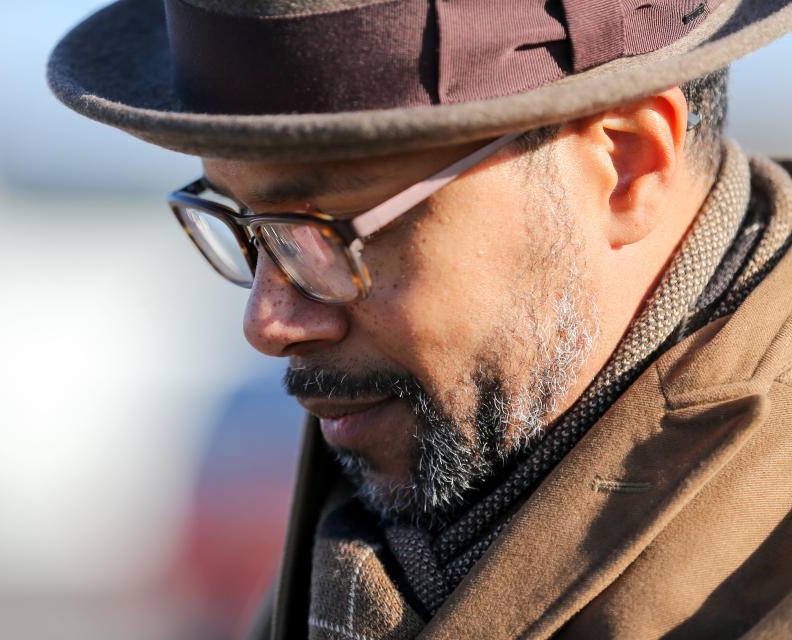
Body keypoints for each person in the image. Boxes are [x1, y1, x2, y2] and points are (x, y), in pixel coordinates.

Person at [48, 1, 792, 637]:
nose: (270, 322)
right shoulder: (445, 465)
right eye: (249, 225)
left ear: (627, 164)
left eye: (329, 228)